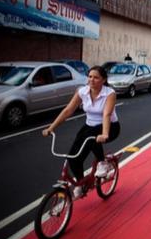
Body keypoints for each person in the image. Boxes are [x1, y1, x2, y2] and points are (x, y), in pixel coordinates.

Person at [42, 66, 120, 198]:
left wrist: (105, 134)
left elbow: (106, 114)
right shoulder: (82, 91)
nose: (92, 80)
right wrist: (51, 127)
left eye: (96, 77)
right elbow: (68, 110)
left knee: (93, 136)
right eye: (90, 76)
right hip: (90, 126)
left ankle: (102, 163)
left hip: (110, 127)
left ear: (104, 80)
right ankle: (80, 184)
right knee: (73, 157)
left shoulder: (109, 93)